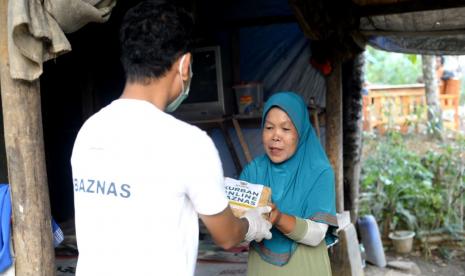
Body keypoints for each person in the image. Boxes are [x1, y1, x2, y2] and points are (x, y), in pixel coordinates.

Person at [70, 1, 272, 275]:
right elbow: (226, 236)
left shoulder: (89, 131)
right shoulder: (190, 144)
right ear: (184, 65)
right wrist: (253, 223)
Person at [239, 91, 338, 275]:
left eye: (285, 129)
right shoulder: (253, 171)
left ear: (300, 131)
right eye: (269, 128)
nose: (275, 136)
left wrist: (278, 218)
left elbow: (317, 234)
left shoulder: (319, 172)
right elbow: (238, 232)